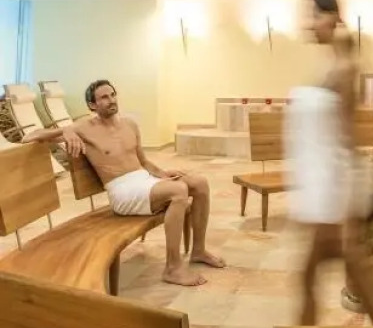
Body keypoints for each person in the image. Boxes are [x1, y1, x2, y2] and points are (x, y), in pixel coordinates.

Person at [22, 79, 225, 286]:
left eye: (112, 95)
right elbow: (30, 137)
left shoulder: (130, 124)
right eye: (104, 97)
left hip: (143, 180)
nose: (111, 100)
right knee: (178, 190)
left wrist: (162, 174)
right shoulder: (83, 127)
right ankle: (173, 268)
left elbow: (143, 162)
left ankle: (198, 250)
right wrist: (65, 131)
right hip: (122, 191)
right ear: (92, 105)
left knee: (199, 183)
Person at [285, 0, 373, 325]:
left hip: (333, 193)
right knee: (346, 276)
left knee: (312, 277)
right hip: (323, 189)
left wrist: (347, 209)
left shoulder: (345, 68)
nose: (308, 24)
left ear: (332, 17)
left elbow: (347, 139)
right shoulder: (333, 63)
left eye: (314, 16)